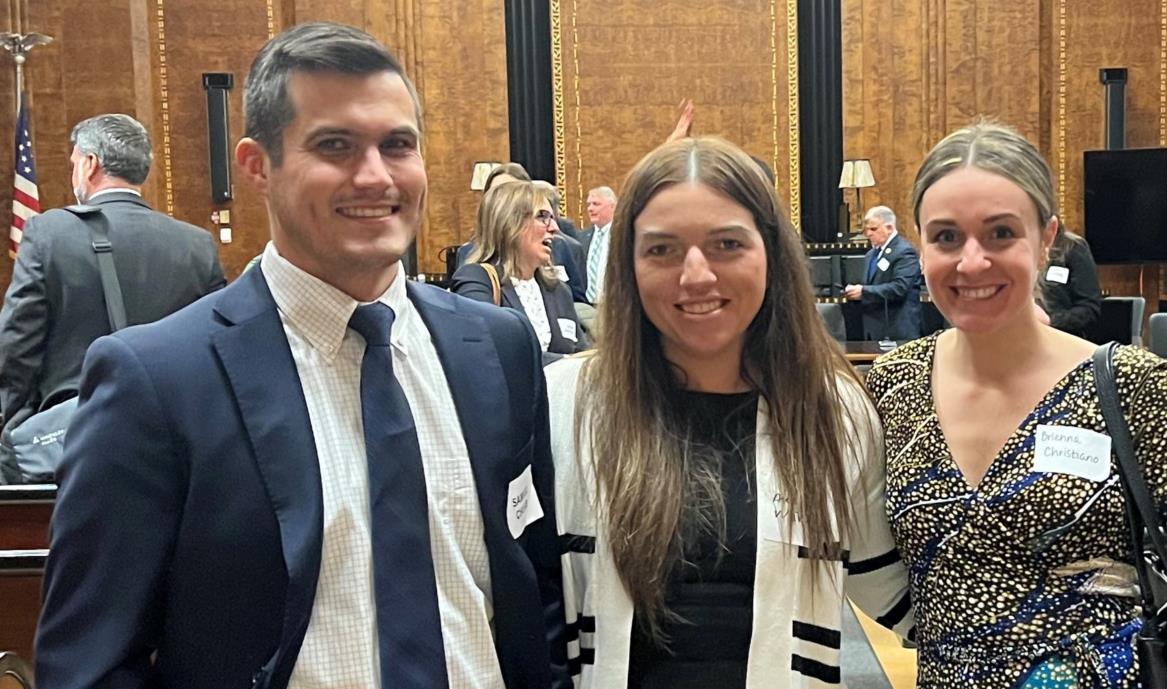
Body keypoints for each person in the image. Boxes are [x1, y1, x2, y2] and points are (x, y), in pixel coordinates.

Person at [36, 22, 568, 689]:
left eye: (397, 145)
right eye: (335, 145)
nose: (375, 175)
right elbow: (88, 665)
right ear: (257, 165)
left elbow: (531, 584)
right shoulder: (156, 382)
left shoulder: (496, 348)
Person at [864, 122, 1167, 687]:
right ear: (920, 242)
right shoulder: (892, 386)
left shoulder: (1129, 383)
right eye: (947, 237)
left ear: (1047, 237)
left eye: (1001, 233)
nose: (972, 262)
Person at [546, 137, 914, 688]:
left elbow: (894, 591)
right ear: (628, 265)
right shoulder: (566, 403)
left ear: (771, 254)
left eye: (726, 244)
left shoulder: (832, 413)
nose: (696, 275)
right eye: (662, 249)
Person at [0, 113, 225, 431]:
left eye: (74, 163)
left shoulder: (49, 231)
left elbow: (18, 342)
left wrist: (14, 426)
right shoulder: (197, 245)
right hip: (171, 429)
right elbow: (215, 344)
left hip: (76, 431)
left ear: (89, 164)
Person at [452, 181, 586, 365]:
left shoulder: (558, 290)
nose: (554, 227)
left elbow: (581, 353)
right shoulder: (477, 280)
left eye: (553, 218)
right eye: (543, 217)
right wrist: (565, 362)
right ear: (510, 223)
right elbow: (495, 349)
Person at [842, 205, 923, 342]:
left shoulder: (904, 252)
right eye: (866, 230)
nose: (868, 234)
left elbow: (900, 288)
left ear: (889, 228)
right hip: (872, 328)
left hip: (897, 329)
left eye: (873, 229)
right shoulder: (871, 255)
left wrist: (864, 291)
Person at [1036, 226, 1102, 339]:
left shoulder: (1073, 247)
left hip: (1061, 339)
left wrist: (1050, 320)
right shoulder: (1017, 247)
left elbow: (1089, 309)